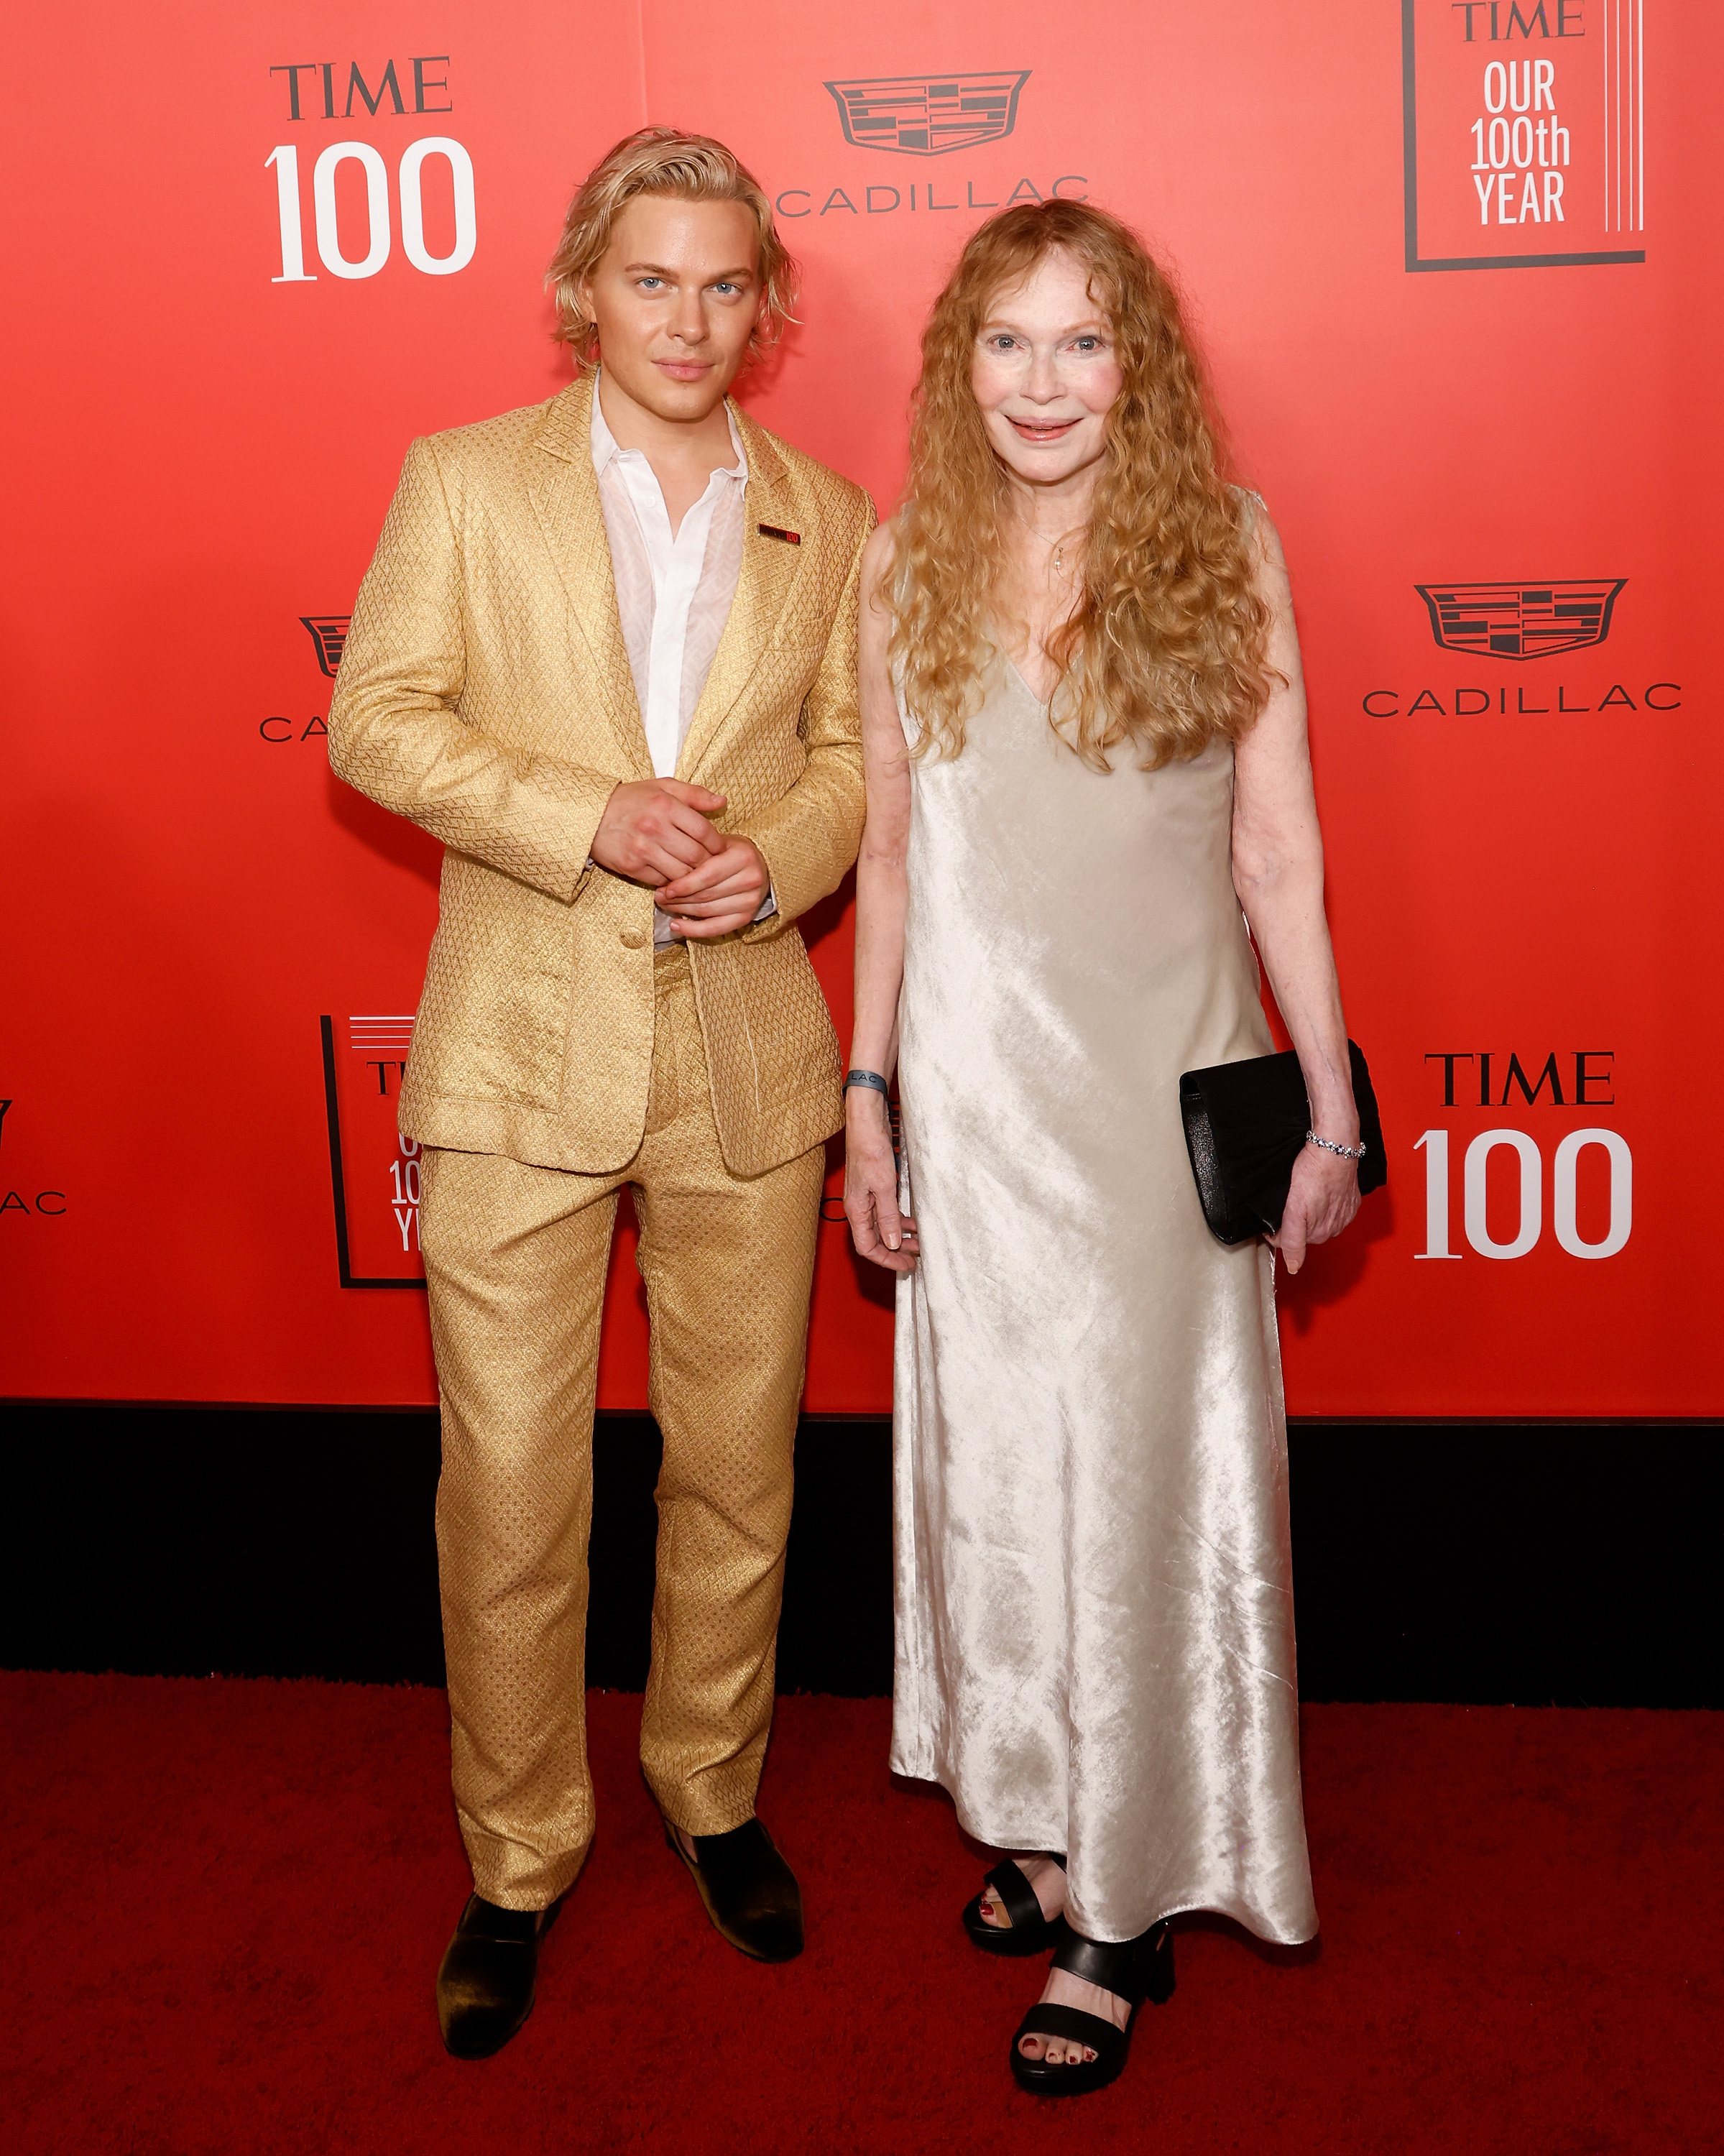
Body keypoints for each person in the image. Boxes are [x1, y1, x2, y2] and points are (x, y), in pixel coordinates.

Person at [329, 126, 874, 2059]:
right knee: (513, 1489)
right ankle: (518, 1853)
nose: (691, 319)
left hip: (743, 1058)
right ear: (586, 290)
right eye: (654, 280)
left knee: (738, 1469)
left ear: (768, 305)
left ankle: (712, 1793)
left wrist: (780, 865)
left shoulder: (832, 515)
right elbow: (373, 715)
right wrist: (585, 819)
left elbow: (845, 769)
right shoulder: (465, 482)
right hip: (512, 1064)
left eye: (728, 285)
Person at [844, 198, 1363, 2096]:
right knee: (1007, 1490)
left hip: (1158, 1106)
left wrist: (1337, 1092)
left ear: (1132, 364)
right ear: (955, 365)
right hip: (978, 1115)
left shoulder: (1225, 548)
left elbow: (1278, 849)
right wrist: (870, 1094)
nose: (1043, 382)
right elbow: (893, 860)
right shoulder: (899, 563)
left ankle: (1118, 1915)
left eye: (1081, 342)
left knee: (1137, 1489)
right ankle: (1049, 1803)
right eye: (1006, 342)